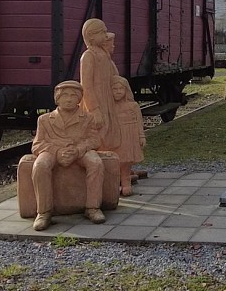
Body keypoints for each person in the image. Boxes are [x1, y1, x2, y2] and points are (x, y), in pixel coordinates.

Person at [30, 81, 106, 230]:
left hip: (80, 150)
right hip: (52, 151)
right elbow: (37, 145)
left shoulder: (87, 118)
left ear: (79, 99)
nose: (69, 99)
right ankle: (44, 212)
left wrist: (78, 150)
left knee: (96, 163)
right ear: (57, 98)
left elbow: (95, 140)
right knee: (40, 165)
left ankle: (93, 208)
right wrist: (57, 151)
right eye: (65, 95)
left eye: (73, 95)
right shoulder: (44, 120)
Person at [79, 19, 120, 151]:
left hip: (107, 98)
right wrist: (94, 109)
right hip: (95, 101)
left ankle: (111, 161)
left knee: (109, 129)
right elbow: (86, 86)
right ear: (91, 36)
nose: (105, 35)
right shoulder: (88, 56)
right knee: (98, 129)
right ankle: (99, 160)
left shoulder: (103, 55)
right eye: (102, 32)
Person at [111, 76, 146, 196]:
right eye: (114, 89)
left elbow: (139, 122)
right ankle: (115, 183)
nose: (118, 91)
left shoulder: (133, 106)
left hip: (129, 135)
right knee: (115, 160)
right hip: (115, 136)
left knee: (126, 161)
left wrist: (141, 136)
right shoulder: (109, 107)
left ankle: (126, 182)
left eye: (121, 88)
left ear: (126, 90)